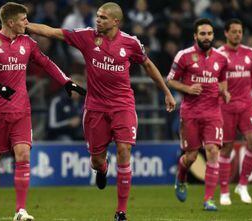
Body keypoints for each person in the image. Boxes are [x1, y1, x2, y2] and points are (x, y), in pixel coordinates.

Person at [26, 2, 176, 220]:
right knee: (97, 159)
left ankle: (121, 211)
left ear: (116, 21)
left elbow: (149, 66)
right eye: (97, 16)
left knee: (124, 150)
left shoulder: (131, 43)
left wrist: (166, 92)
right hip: (95, 107)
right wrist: (27, 26)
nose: (98, 20)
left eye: (103, 18)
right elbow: (55, 33)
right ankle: (102, 169)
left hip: (123, 105)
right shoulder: (87, 37)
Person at [0, 2, 86, 221]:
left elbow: (46, 63)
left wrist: (66, 82)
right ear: (11, 22)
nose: (28, 23)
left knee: (23, 155)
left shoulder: (28, 42)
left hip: (21, 111)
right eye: (24, 20)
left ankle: (20, 211)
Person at [167, 18, 231, 211]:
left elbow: (222, 81)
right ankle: (181, 177)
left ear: (213, 35)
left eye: (209, 34)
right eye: (202, 34)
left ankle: (209, 199)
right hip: (191, 113)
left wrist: (224, 91)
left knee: (213, 151)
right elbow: (171, 80)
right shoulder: (183, 56)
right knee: (191, 157)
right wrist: (187, 88)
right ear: (195, 36)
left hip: (213, 112)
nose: (206, 37)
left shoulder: (221, 59)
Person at [217, 19, 252, 206]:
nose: (237, 34)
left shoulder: (250, 53)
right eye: (234, 31)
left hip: (246, 107)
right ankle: (225, 191)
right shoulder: (218, 55)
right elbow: (213, 81)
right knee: (226, 149)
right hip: (225, 108)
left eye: (240, 31)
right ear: (226, 33)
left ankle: (242, 184)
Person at [48, 74, 85, 141]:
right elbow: (52, 125)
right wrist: (69, 123)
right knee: (67, 140)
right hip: (60, 135)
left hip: (81, 135)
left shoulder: (85, 102)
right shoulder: (58, 101)